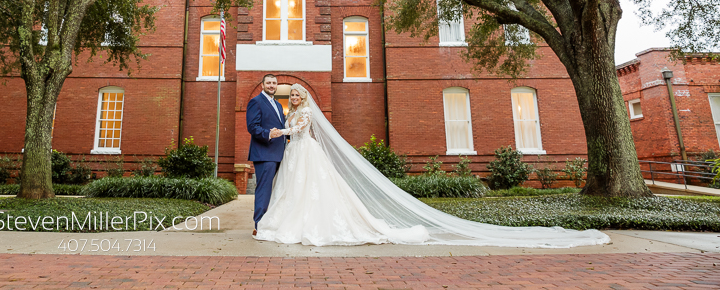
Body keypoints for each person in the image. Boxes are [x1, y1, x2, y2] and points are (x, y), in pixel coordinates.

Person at [255, 83, 611, 248]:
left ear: (304, 97)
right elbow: (291, 130)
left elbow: (297, 130)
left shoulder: (301, 114)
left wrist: (279, 129)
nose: (296, 97)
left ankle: (315, 226)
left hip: (304, 153)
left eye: (298, 94)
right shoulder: (290, 108)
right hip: (295, 155)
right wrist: (281, 129)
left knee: (314, 191)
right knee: (296, 191)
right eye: (293, 95)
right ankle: (285, 221)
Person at [245, 74, 287, 237]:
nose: (271, 85)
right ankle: (260, 226)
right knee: (264, 190)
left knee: (277, 190)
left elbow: (282, 129)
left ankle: (272, 223)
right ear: (263, 85)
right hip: (264, 154)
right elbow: (252, 127)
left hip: (279, 154)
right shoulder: (256, 101)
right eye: (268, 83)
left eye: (274, 83)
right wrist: (269, 134)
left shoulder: (277, 104)